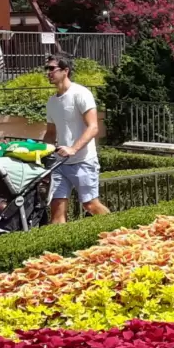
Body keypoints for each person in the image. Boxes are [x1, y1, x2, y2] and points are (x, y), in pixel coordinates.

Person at [44, 54, 109, 224]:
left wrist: (73, 149)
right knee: (56, 206)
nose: (48, 72)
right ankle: (58, 247)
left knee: (90, 205)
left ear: (65, 71)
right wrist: (41, 152)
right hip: (59, 164)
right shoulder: (51, 102)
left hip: (83, 161)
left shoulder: (81, 93)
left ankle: (116, 230)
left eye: (52, 69)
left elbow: (93, 127)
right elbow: (51, 133)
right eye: (47, 69)